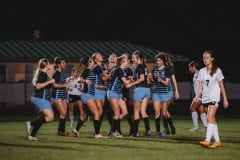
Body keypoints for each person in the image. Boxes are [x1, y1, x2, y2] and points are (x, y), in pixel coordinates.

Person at [196, 51, 229, 148]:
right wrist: (197, 96)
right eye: (204, 58)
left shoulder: (217, 71)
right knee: (212, 119)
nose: (205, 59)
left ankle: (207, 140)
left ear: (212, 59)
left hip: (214, 97)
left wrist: (225, 99)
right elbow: (200, 85)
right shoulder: (202, 71)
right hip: (205, 99)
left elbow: (222, 86)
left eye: (207, 57)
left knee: (209, 117)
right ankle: (218, 141)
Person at [25, 58, 55, 140]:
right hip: (41, 98)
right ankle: (30, 124)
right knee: (50, 117)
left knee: (41, 118)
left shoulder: (43, 73)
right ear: (46, 65)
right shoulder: (43, 74)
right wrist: (49, 82)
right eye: (49, 63)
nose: (50, 64)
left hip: (39, 98)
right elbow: (38, 86)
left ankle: (32, 135)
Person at [79, 57, 107, 138]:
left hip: (90, 94)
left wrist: (100, 86)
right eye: (92, 60)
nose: (93, 61)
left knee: (86, 114)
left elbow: (93, 83)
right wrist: (85, 81)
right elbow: (79, 79)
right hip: (86, 94)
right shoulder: (87, 70)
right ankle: (97, 134)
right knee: (97, 113)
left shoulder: (91, 71)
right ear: (89, 62)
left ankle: (76, 130)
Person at [126, 50, 151, 137]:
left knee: (136, 112)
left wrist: (131, 84)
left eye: (133, 58)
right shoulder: (144, 66)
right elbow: (142, 78)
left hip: (140, 89)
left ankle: (135, 132)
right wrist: (133, 79)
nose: (132, 59)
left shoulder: (139, 67)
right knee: (143, 112)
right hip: (147, 90)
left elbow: (142, 79)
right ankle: (148, 131)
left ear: (138, 58)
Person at [107, 55, 131, 137]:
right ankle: (114, 131)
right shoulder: (118, 70)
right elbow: (126, 82)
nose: (128, 61)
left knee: (125, 112)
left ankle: (113, 127)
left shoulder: (123, 71)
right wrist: (134, 79)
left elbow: (126, 85)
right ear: (122, 61)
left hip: (119, 93)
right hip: (112, 92)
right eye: (127, 60)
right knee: (117, 113)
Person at [150, 53, 171, 137]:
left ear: (163, 61)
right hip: (156, 93)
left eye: (159, 61)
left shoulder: (167, 70)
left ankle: (166, 129)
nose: (158, 62)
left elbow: (166, 83)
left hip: (164, 93)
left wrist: (160, 79)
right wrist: (150, 81)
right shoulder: (154, 69)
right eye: (157, 61)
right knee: (157, 113)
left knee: (164, 113)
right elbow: (152, 82)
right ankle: (158, 132)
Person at [92, 52, 111, 132]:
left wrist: (107, 73)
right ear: (95, 59)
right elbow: (104, 79)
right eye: (99, 56)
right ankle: (97, 131)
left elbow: (105, 77)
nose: (101, 56)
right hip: (97, 90)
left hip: (102, 90)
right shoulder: (97, 67)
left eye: (101, 55)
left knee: (100, 111)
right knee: (99, 111)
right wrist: (111, 74)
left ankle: (97, 130)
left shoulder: (101, 67)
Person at [52, 57, 70, 136]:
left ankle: (61, 131)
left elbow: (62, 84)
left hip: (63, 95)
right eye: (63, 63)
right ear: (58, 64)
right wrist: (64, 85)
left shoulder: (62, 73)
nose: (64, 64)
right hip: (57, 95)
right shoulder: (56, 73)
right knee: (63, 113)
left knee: (64, 114)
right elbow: (54, 85)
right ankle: (61, 131)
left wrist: (67, 85)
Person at [66, 67, 87, 137]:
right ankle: (72, 122)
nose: (76, 73)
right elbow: (66, 88)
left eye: (77, 72)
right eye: (75, 72)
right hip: (71, 95)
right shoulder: (69, 79)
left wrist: (81, 89)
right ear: (72, 72)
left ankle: (81, 121)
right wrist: (69, 88)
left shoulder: (80, 79)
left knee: (81, 109)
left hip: (78, 95)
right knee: (71, 110)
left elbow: (82, 88)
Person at [188, 61, 208, 131]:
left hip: (200, 95)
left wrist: (199, 95)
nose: (189, 69)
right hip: (201, 95)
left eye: (190, 67)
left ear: (193, 67)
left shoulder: (199, 74)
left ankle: (196, 126)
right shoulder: (196, 74)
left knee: (192, 108)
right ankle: (206, 127)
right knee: (201, 110)